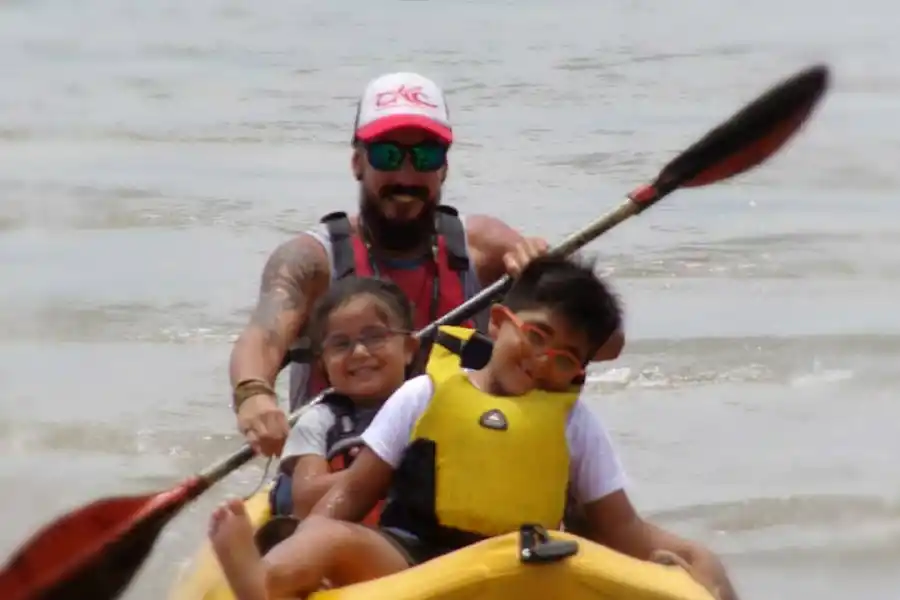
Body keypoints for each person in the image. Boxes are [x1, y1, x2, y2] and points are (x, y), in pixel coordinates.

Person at [209, 255, 739, 600]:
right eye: (536, 336)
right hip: (413, 562)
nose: (541, 360)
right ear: (499, 321)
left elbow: (622, 529)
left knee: (701, 560)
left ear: (577, 372)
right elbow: (348, 497)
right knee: (326, 536)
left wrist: (687, 562)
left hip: (525, 572)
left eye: (565, 357)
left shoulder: (576, 424)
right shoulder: (423, 394)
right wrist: (311, 551)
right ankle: (264, 585)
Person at [229, 70, 625, 461]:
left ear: (444, 168)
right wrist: (252, 394)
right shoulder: (311, 260)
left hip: (463, 464)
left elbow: (607, 345)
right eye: (387, 154)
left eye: (425, 156)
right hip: (340, 465)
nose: (406, 175)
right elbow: (262, 337)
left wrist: (553, 282)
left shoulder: (485, 250)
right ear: (357, 163)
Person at [272, 276, 419, 522]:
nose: (360, 352)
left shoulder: (432, 405)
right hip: (341, 537)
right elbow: (307, 498)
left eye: (375, 337)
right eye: (340, 344)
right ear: (323, 365)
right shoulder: (319, 421)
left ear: (409, 349)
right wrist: (391, 471)